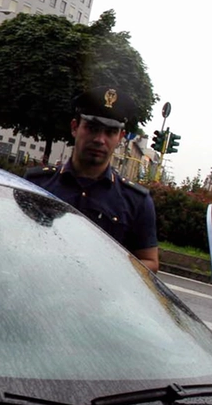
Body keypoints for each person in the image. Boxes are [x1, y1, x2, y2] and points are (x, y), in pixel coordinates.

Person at [24, 86, 159, 271]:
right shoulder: (36, 184)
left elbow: (150, 261)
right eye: (92, 128)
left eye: (110, 132)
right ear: (74, 127)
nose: (99, 139)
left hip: (100, 298)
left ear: (120, 137)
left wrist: (106, 269)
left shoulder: (136, 201)